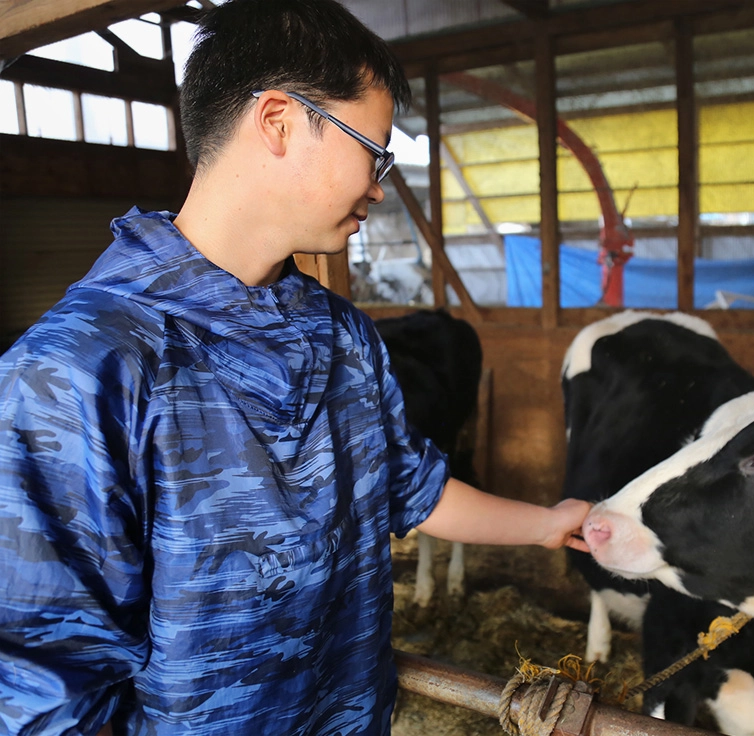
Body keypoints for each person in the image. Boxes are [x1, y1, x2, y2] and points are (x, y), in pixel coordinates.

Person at [0, 1, 591, 734]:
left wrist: (545, 524)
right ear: (279, 121)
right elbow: (47, 682)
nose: (378, 185)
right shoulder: (80, 370)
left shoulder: (343, 336)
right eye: (372, 152)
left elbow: (406, 488)